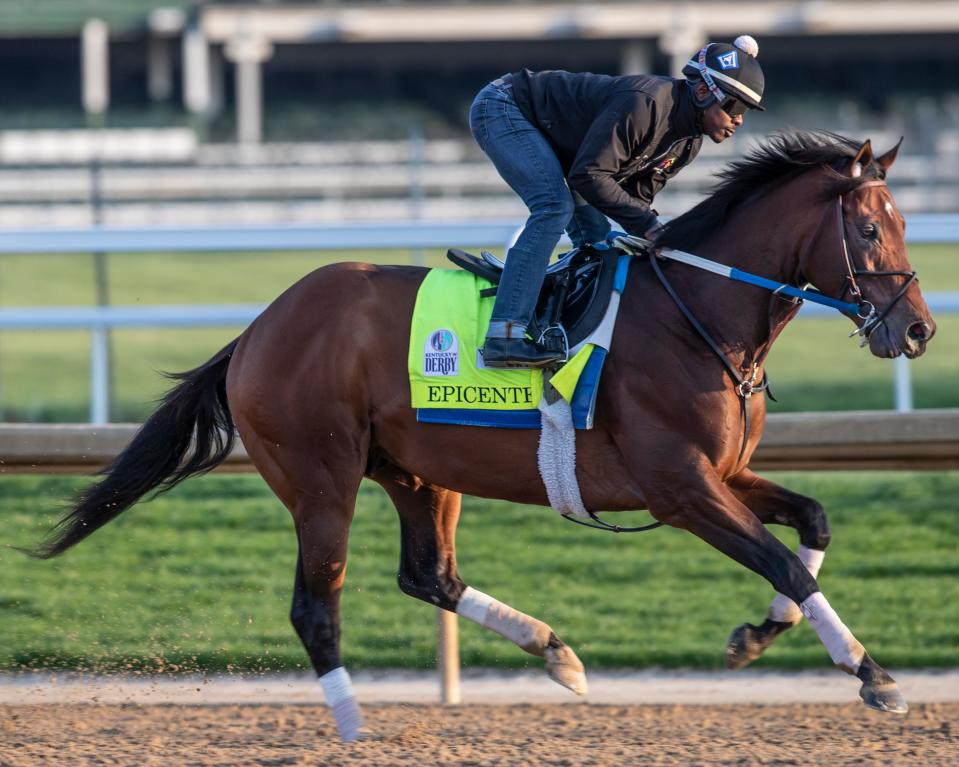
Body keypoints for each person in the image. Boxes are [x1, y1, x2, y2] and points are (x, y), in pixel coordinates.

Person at [470, 36, 766, 368]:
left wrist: (658, 236)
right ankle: (504, 336)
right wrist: (652, 227)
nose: (739, 120)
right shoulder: (645, 104)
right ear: (702, 92)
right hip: (505, 106)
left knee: (599, 241)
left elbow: (633, 201)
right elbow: (589, 177)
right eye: (735, 107)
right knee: (554, 207)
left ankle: (562, 328)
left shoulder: (687, 145)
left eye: (746, 111)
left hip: (564, 145)